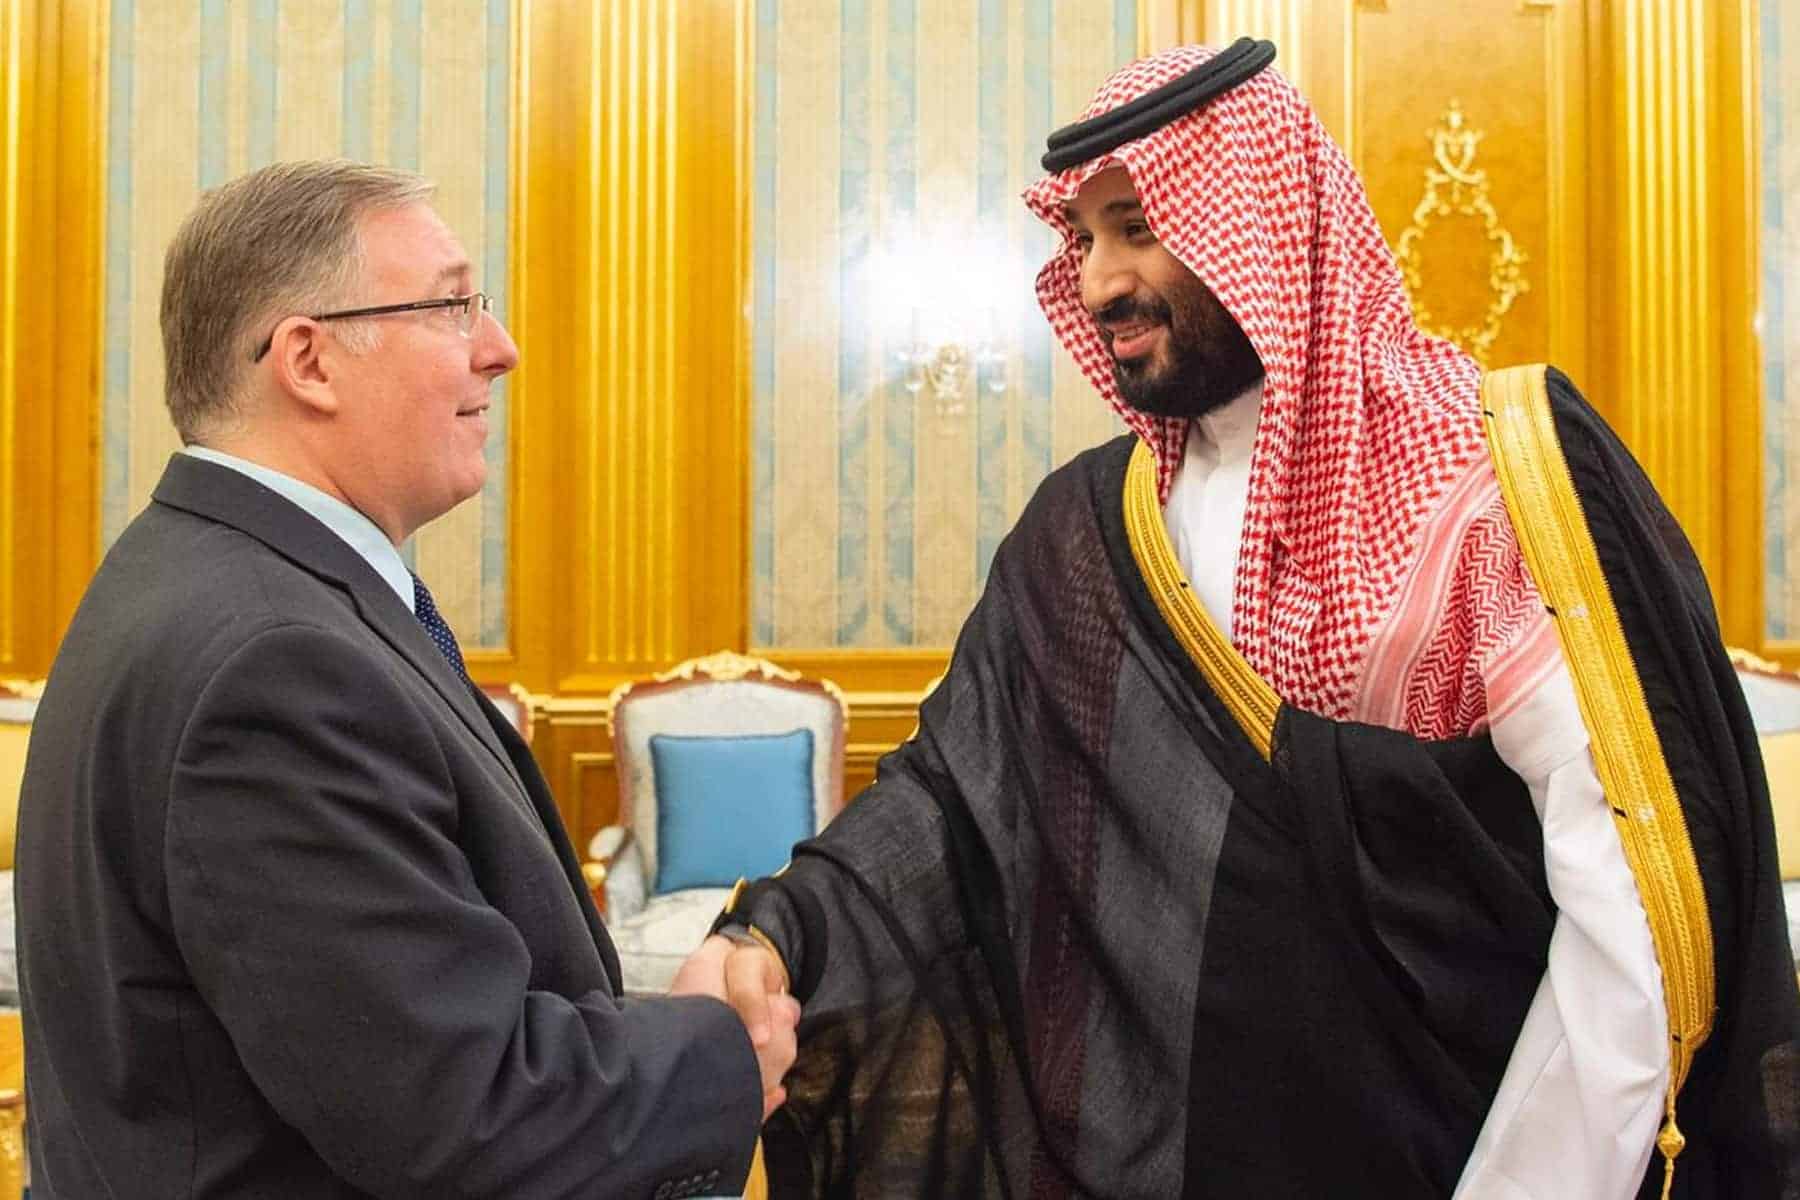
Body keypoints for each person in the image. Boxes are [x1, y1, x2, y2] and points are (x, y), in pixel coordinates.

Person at [683, 41, 1800, 1198]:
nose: (1101, 282)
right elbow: (951, 801)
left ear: (1261, 220)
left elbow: (1630, 912)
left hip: (1481, 1156)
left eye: (1137, 227)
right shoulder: (1090, 526)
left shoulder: (1497, 483)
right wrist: (773, 934)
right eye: (1084, 241)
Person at [17, 159, 798, 1199]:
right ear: (310, 361)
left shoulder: (204, 575)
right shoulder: (272, 667)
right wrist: (719, 1047)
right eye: (451, 305)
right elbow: (461, 1111)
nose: (500, 347)